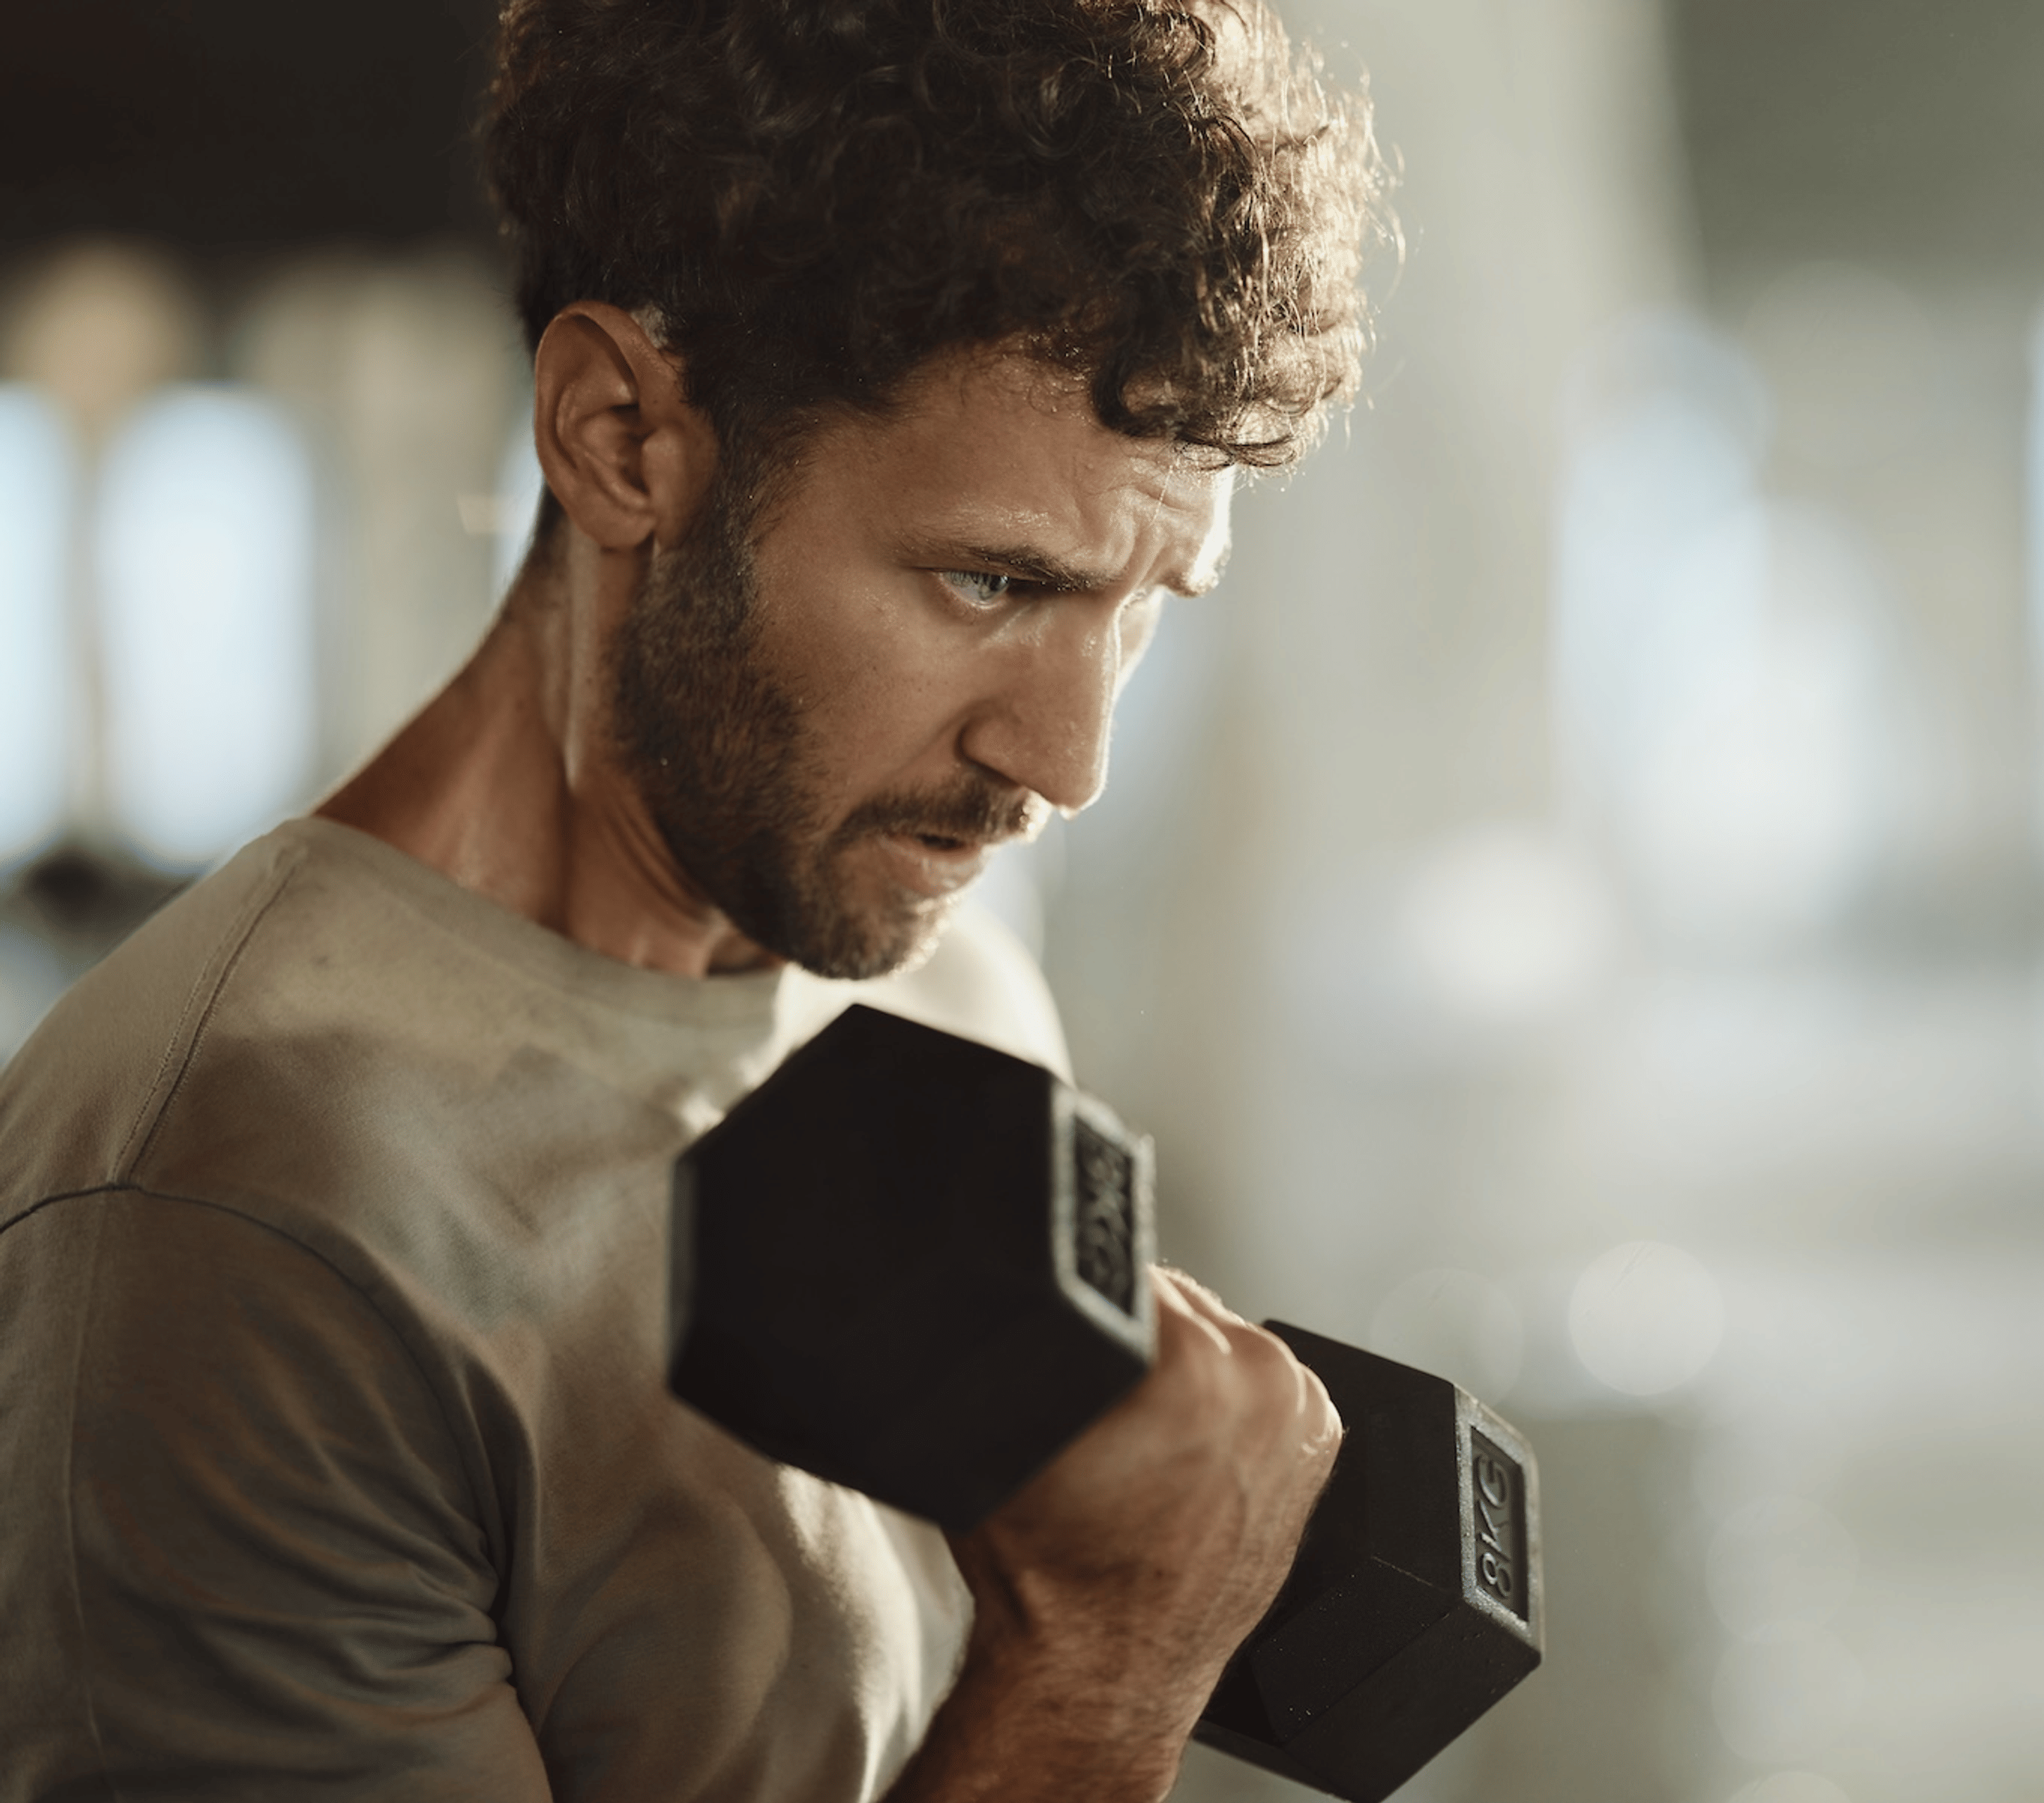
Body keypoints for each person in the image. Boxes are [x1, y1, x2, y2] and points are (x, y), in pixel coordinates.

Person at [0, 1, 1387, 1797]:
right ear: (621, 438)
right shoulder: (237, 1217)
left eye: (1140, 608)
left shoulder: (940, 974)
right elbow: (1063, 1677)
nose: (1066, 759)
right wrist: (1107, 1671)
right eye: (989, 582)